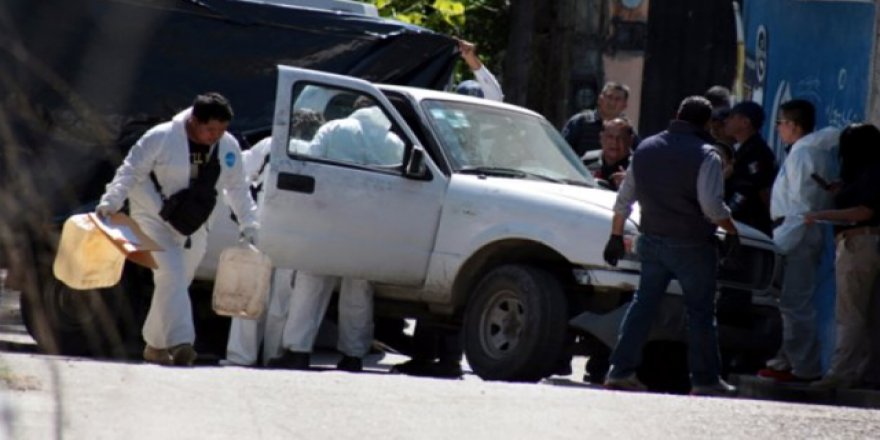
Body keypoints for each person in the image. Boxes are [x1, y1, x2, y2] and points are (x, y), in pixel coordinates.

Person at [96, 92, 258, 366]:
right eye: (210, 129)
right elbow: (130, 170)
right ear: (194, 120)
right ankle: (182, 342)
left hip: (195, 223)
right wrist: (110, 201)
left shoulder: (227, 147)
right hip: (153, 216)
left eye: (221, 130)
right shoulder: (160, 137)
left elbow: (238, 188)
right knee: (171, 272)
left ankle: (155, 345)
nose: (215, 135)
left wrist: (249, 222)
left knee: (176, 282)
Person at [601, 96, 739, 396]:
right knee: (700, 313)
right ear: (706, 123)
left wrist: (614, 237)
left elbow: (624, 200)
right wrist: (732, 231)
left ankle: (620, 371)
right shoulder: (707, 155)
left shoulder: (647, 148)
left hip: (651, 240)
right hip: (692, 246)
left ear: (676, 114)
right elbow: (712, 208)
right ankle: (705, 380)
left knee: (643, 306)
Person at [223, 109, 324, 367]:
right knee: (281, 300)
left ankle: (240, 357)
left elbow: (238, 177)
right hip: (296, 234)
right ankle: (271, 357)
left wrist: (246, 215)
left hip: (262, 226)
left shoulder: (271, 145)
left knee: (249, 294)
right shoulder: (318, 151)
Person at [759, 99, 840, 383]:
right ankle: (785, 360)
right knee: (787, 303)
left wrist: (784, 239)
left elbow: (802, 207)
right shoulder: (803, 152)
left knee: (795, 303)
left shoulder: (805, 154)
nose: (778, 128)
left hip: (797, 234)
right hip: (793, 232)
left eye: (781, 123)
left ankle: (805, 367)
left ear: (793, 125)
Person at [804, 123, 880, 390]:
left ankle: (842, 372)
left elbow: (863, 212)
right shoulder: (868, 172)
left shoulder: (871, 172)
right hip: (869, 243)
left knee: (850, 312)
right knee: (872, 314)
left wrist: (821, 215)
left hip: (859, 242)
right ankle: (869, 372)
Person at [722, 101, 777, 235]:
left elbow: (762, 189)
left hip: (751, 225)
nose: (726, 121)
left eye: (731, 117)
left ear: (745, 122)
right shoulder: (742, 150)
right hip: (738, 221)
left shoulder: (757, 152)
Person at [561, 82, 631, 158]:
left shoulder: (626, 129)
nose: (612, 103)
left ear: (625, 105)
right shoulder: (580, 122)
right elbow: (561, 149)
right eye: (609, 97)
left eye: (617, 99)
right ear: (600, 99)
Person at [591, 117, 635, 191]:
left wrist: (630, 185)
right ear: (601, 138)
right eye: (610, 137)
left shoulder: (637, 168)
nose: (615, 142)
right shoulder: (587, 161)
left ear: (630, 141)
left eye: (621, 138)